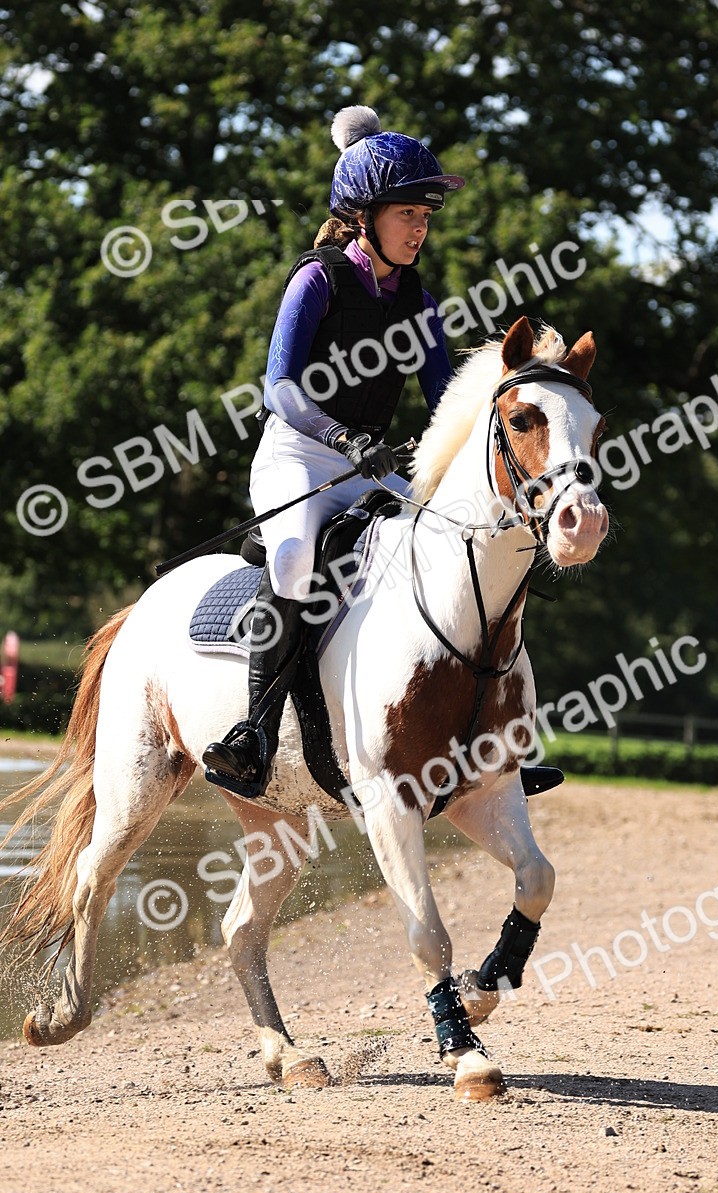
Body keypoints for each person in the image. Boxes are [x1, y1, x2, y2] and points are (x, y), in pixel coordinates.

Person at [202, 105, 564, 803]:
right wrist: (342, 438)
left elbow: (443, 401)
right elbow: (278, 386)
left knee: (472, 550)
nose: (421, 226)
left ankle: (500, 740)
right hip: (300, 461)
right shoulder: (318, 280)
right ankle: (252, 732)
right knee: (295, 561)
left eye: (427, 215)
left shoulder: (419, 304)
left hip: (372, 470)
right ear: (365, 216)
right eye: (408, 214)